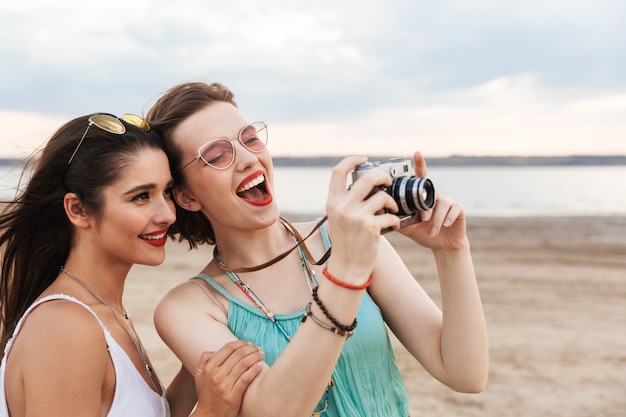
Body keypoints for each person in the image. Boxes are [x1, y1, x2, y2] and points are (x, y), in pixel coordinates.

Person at [146, 81, 489, 417]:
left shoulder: (351, 243)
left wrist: (452, 252)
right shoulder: (188, 307)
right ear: (187, 196)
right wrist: (347, 273)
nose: (249, 159)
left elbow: (465, 375)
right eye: (218, 155)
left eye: (249, 139)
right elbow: (271, 411)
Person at [0, 113, 264, 417]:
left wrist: (195, 380)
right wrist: (211, 411)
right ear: (78, 209)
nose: (168, 214)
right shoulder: (65, 328)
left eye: (166, 192)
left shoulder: (104, 312)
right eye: (141, 196)